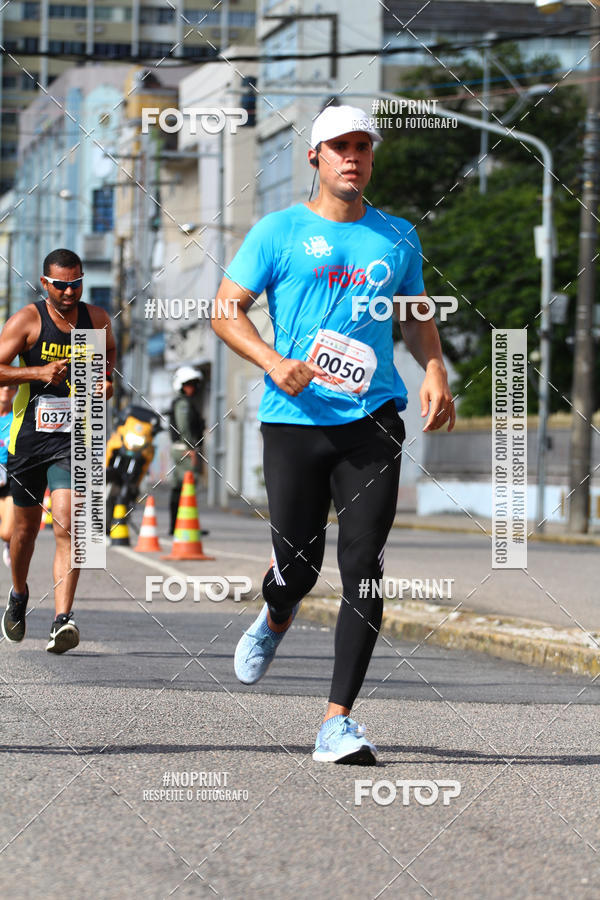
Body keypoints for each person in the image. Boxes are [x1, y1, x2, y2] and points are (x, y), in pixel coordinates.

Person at [212, 105, 455, 765]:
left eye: (363, 147)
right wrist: (272, 362)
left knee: (364, 568)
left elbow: (415, 315)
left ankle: (337, 722)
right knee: (299, 567)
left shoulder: (397, 236)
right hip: (294, 422)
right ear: (315, 157)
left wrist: (434, 368)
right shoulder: (278, 231)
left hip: (372, 421)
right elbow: (225, 309)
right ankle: (277, 612)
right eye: (340, 146)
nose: (353, 157)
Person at [0, 248, 115, 652]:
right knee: (24, 532)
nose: (69, 292)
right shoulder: (28, 320)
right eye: (61, 285)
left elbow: (109, 355)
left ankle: (62, 619)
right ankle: (18, 593)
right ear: (45, 283)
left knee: (70, 523)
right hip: (29, 440)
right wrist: (37, 371)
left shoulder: (95, 319)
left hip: (75, 437)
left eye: (76, 284)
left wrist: (105, 382)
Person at [168, 366, 205, 534]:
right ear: (181, 386)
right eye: (188, 384)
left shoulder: (183, 402)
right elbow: (184, 427)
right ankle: (185, 527)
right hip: (185, 449)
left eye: (193, 384)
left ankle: (176, 526)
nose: (192, 388)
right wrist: (191, 448)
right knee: (188, 486)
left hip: (181, 448)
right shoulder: (183, 404)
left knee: (179, 486)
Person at [0, 384, 17, 567]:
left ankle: (8, 543)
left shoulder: (17, 417)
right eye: (1, 385)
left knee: (6, 532)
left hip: (11, 474)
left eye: (11, 386)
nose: (5, 389)